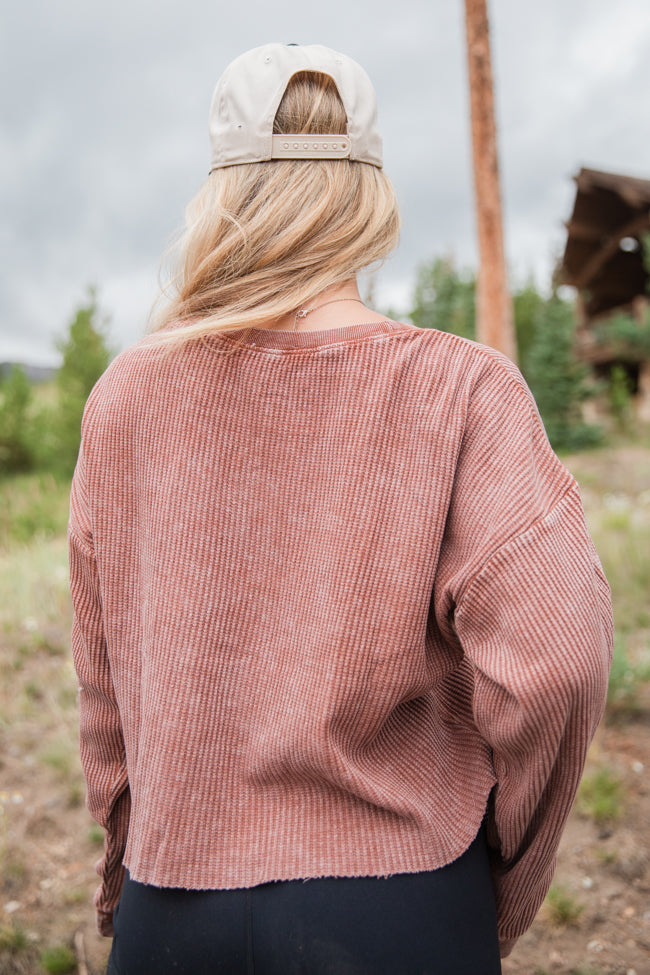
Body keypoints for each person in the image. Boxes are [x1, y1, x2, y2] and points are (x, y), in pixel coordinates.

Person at [68, 43, 613, 975]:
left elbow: (104, 691)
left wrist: (130, 876)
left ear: (222, 196)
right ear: (369, 194)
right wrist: (502, 876)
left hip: (175, 908)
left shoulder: (126, 398)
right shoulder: (460, 389)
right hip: (403, 904)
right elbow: (557, 662)